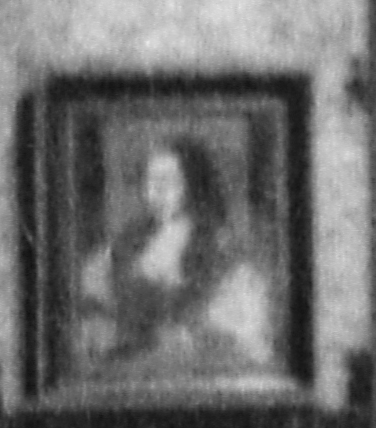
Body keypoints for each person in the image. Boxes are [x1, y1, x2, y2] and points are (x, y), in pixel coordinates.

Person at [74, 124, 284, 388]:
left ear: (193, 184)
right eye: (151, 180)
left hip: (196, 374)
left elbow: (245, 329)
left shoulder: (221, 248)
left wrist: (194, 337)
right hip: (128, 372)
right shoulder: (126, 244)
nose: (156, 191)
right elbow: (94, 299)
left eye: (168, 181)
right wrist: (99, 326)